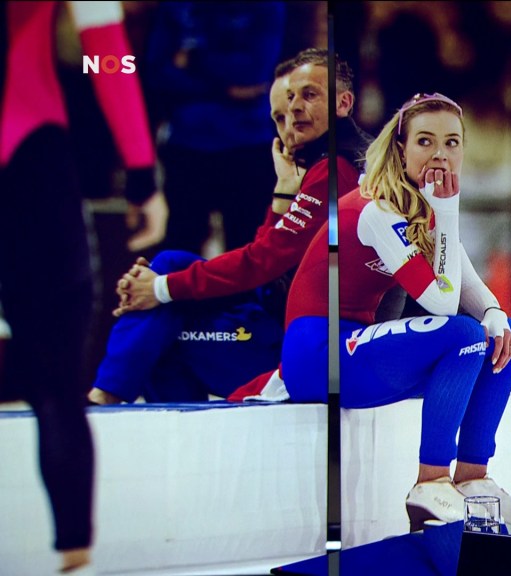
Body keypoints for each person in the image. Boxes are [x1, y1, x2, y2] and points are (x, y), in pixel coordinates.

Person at [230, 92, 511, 532]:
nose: (440, 154)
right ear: (401, 148)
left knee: (506, 332)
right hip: (317, 354)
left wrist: (492, 311)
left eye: (452, 143)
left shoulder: (423, 205)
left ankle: (473, 479)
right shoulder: (376, 208)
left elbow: (467, 285)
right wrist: (447, 212)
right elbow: (441, 303)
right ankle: (430, 483)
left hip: (358, 351)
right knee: (463, 334)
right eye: (425, 141)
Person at [86, 48, 367, 405]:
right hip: (290, 323)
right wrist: (283, 192)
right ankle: (109, 394)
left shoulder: (334, 170)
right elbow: (270, 260)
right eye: (279, 115)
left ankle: (106, 399)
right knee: (170, 263)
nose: (291, 118)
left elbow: (262, 263)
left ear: (343, 103)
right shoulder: (335, 161)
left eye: (308, 96)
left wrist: (158, 288)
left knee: (160, 333)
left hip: (303, 347)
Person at [0, 2, 165, 573]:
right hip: (29, 159)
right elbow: (106, 52)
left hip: (33, 157)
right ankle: (74, 556)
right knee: (56, 385)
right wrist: (140, 171)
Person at [143, 1, 286, 256]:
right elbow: (158, 73)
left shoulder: (266, 6)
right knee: (180, 250)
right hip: (186, 144)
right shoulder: (175, 6)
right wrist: (227, 88)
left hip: (248, 144)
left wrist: (192, 59)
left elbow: (253, 72)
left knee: (248, 251)